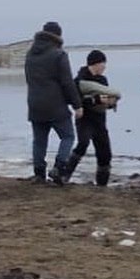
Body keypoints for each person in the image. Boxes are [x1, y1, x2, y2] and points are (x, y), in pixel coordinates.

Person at [24, 20, 82, 185]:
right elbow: (67, 82)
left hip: (35, 104)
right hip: (55, 105)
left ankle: (39, 173)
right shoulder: (59, 54)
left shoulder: (30, 54)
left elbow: (29, 79)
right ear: (58, 36)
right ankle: (59, 167)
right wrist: (77, 105)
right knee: (68, 136)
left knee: (39, 140)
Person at [68, 49, 116, 186]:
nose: (104, 66)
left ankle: (102, 184)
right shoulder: (79, 80)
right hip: (85, 119)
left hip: (100, 120)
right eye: (103, 63)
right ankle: (65, 175)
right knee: (83, 144)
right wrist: (95, 100)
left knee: (105, 153)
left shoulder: (103, 80)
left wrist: (111, 103)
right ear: (95, 64)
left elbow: (106, 99)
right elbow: (76, 100)